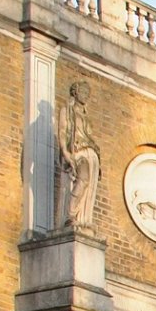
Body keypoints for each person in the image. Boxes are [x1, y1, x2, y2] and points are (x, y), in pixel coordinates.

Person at [58, 81, 100, 232]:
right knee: (83, 179)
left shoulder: (85, 115)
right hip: (77, 150)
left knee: (89, 185)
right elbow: (63, 131)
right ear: (75, 93)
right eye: (83, 92)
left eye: (87, 93)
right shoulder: (67, 111)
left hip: (91, 151)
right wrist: (65, 151)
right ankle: (70, 215)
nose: (85, 96)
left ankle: (83, 219)